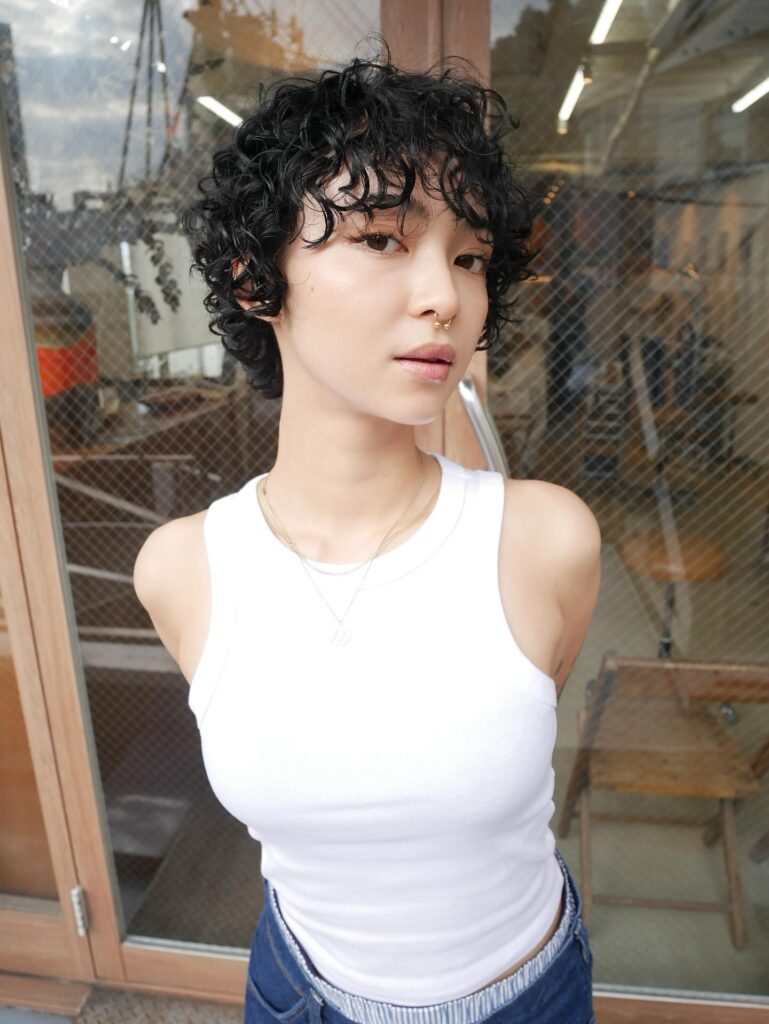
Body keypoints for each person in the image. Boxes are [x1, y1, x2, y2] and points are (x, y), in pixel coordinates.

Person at [133, 54, 601, 1024]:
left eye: (469, 255)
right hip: (300, 993)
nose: (444, 295)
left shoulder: (542, 541)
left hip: (526, 996)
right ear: (254, 277)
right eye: (382, 238)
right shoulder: (182, 570)